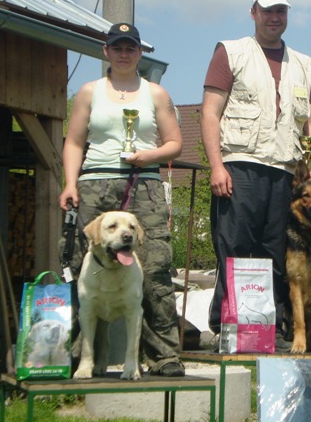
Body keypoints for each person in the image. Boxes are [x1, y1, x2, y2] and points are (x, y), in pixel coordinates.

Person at [201, 0, 311, 351]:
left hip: (287, 171)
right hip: (240, 166)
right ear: (253, 12)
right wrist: (216, 166)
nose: (275, 18)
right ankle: (226, 327)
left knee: (279, 253)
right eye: (268, 10)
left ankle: (275, 329)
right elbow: (210, 112)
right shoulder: (231, 51)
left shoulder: (305, 64)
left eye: (281, 12)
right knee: (234, 247)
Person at [58, 22, 185, 376]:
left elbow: (175, 143)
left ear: (140, 52)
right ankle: (77, 357)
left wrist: (150, 155)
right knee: (79, 264)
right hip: (95, 185)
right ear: (106, 51)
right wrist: (70, 183)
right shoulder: (89, 91)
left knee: (156, 266)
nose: (125, 53)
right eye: (118, 47)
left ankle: (164, 356)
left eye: (131, 47)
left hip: (142, 184)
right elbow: (73, 142)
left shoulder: (156, 93)